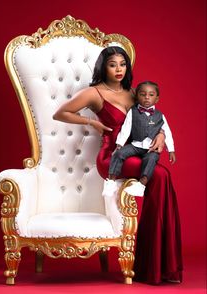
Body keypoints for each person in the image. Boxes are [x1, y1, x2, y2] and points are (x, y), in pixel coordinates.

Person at [53, 46, 183, 285]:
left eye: (122, 64)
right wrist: (91, 122)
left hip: (136, 153)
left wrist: (162, 136)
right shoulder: (94, 93)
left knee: (161, 176)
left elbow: (153, 118)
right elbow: (60, 113)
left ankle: (159, 264)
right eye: (113, 64)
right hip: (112, 157)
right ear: (104, 67)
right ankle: (151, 265)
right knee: (161, 175)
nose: (119, 69)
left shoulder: (134, 93)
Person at [102, 81, 176, 198]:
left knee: (151, 159)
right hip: (135, 145)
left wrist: (171, 150)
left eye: (151, 95)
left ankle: (141, 186)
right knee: (119, 154)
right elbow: (126, 128)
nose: (147, 97)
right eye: (143, 94)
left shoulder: (160, 115)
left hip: (151, 148)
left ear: (157, 99)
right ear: (137, 96)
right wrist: (119, 144)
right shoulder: (133, 111)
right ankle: (111, 182)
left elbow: (167, 132)